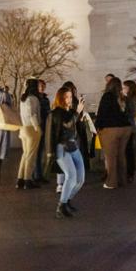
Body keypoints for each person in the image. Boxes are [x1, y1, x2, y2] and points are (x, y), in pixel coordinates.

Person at [49, 87, 87, 218]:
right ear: (60, 98)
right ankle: (61, 205)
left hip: (73, 145)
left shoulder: (70, 111)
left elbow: (75, 127)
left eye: (70, 97)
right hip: (62, 147)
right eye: (66, 97)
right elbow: (66, 125)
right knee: (71, 176)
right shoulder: (57, 113)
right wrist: (77, 113)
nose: (69, 100)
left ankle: (67, 200)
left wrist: (80, 114)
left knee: (80, 179)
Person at [96, 75, 133, 189]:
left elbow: (102, 112)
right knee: (121, 155)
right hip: (125, 128)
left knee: (110, 157)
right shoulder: (123, 97)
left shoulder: (107, 96)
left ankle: (111, 182)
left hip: (111, 128)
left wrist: (98, 126)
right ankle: (122, 179)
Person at [18, 78, 42, 189]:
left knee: (25, 154)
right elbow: (33, 114)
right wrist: (37, 127)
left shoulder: (23, 99)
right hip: (32, 129)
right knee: (31, 155)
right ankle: (28, 180)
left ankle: (20, 179)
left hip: (23, 128)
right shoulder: (33, 99)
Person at [123, 79, 136, 183]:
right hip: (130, 126)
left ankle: (130, 172)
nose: (123, 89)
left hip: (129, 126)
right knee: (128, 150)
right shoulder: (131, 98)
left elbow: (132, 113)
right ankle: (129, 172)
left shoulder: (130, 99)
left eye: (125, 87)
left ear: (129, 88)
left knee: (128, 150)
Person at [34, 79, 51, 183]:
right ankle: (36, 175)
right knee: (36, 152)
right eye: (40, 86)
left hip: (44, 125)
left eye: (43, 86)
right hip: (37, 126)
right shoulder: (35, 98)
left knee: (40, 151)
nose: (42, 88)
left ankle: (39, 174)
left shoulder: (45, 98)